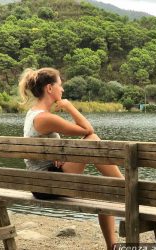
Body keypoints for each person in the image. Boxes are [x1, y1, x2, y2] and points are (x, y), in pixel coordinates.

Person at [18, 67, 123, 250]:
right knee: (91, 140)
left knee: (106, 194)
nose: (63, 90)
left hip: (42, 182)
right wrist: (68, 106)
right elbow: (88, 130)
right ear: (49, 88)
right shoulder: (45, 118)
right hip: (49, 184)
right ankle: (124, 185)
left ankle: (112, 243)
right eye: (60, 85)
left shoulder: (33, 114)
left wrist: (59, 155)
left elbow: (44, 148)